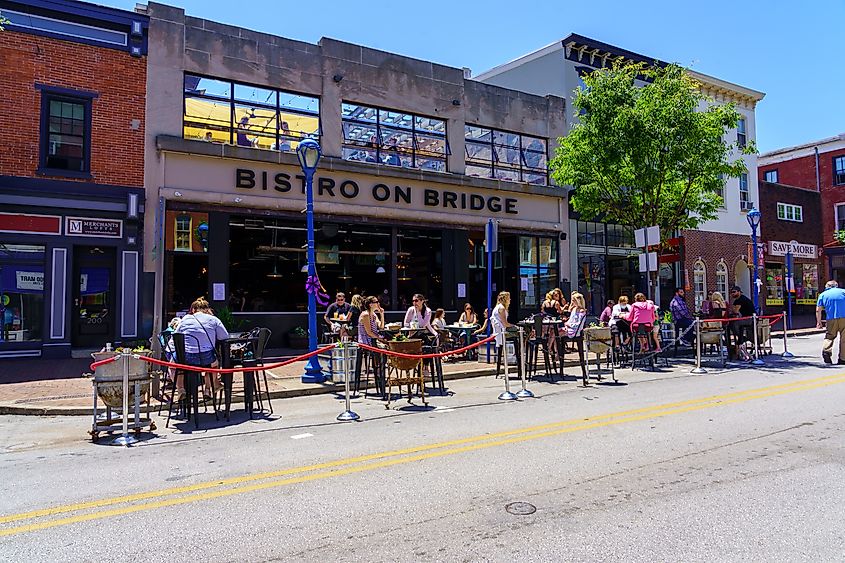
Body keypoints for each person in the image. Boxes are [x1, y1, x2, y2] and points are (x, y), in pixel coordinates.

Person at [174, 297, 229, 400]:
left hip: (186, 358)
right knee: (213, 365)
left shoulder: (185, 319)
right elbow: (224, 336)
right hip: (206, 358)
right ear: (207, 309)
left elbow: (176, 335)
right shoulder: (214, 319)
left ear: (193, 310)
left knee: (172, 367)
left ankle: (181, 389)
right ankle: (208, 389)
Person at [355, 296, 385, 389]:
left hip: (373, 339)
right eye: (376, 302)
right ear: (370, 304)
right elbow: (369, 332)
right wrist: (380, 339)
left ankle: (380, 371)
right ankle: (379, 371)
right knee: (382, 349)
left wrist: (382, 314)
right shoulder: (365, 315)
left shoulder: (374, 315)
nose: (378, 303)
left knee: (388, 347)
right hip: (366, 341)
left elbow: (381, 327)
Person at [816, 280, 845, 364]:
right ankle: (842, 359)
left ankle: (826, 351)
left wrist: (819, 322)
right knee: (844, 339)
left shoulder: (823, 295)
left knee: (829, 336)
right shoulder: (843, 292)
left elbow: (818, 310)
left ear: (827, 287)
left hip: (831, 318)